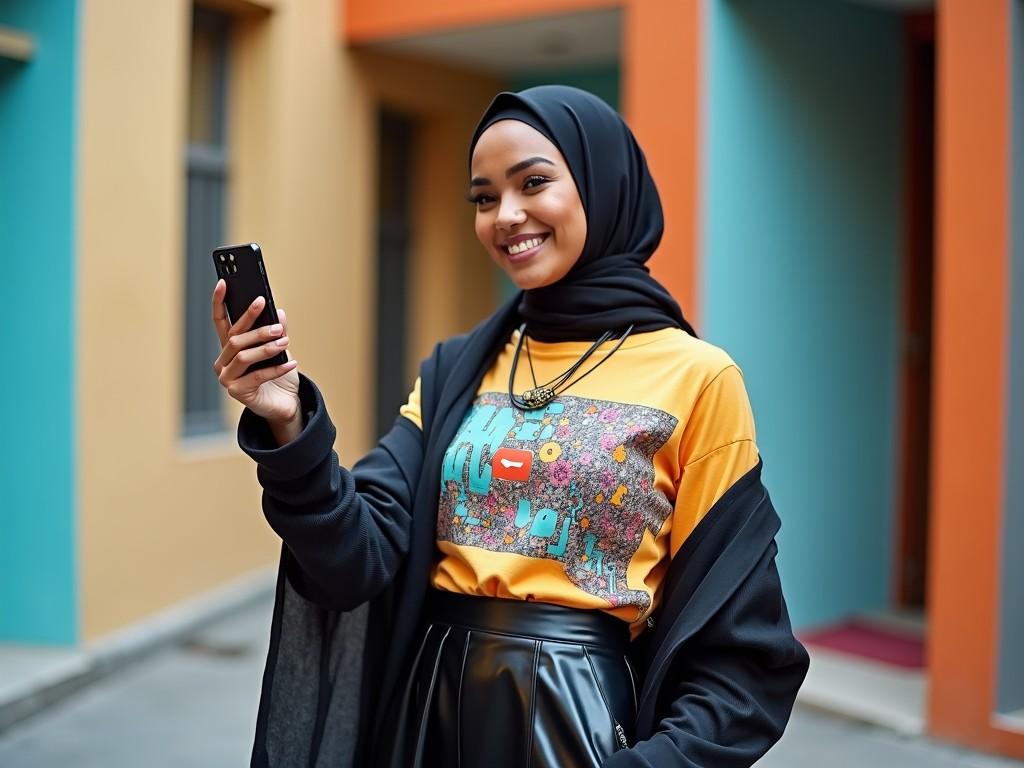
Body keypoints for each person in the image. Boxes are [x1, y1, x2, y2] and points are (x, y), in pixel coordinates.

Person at [211, 86, 809, 768]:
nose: (507, 215)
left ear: (602, 186)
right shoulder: (457, 370)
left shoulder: (697, 377)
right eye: (484, 197)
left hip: (576, 726)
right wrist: (290, 427)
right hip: (423, 720)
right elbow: (356, 561)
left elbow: (742, 649)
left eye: (533, 183)